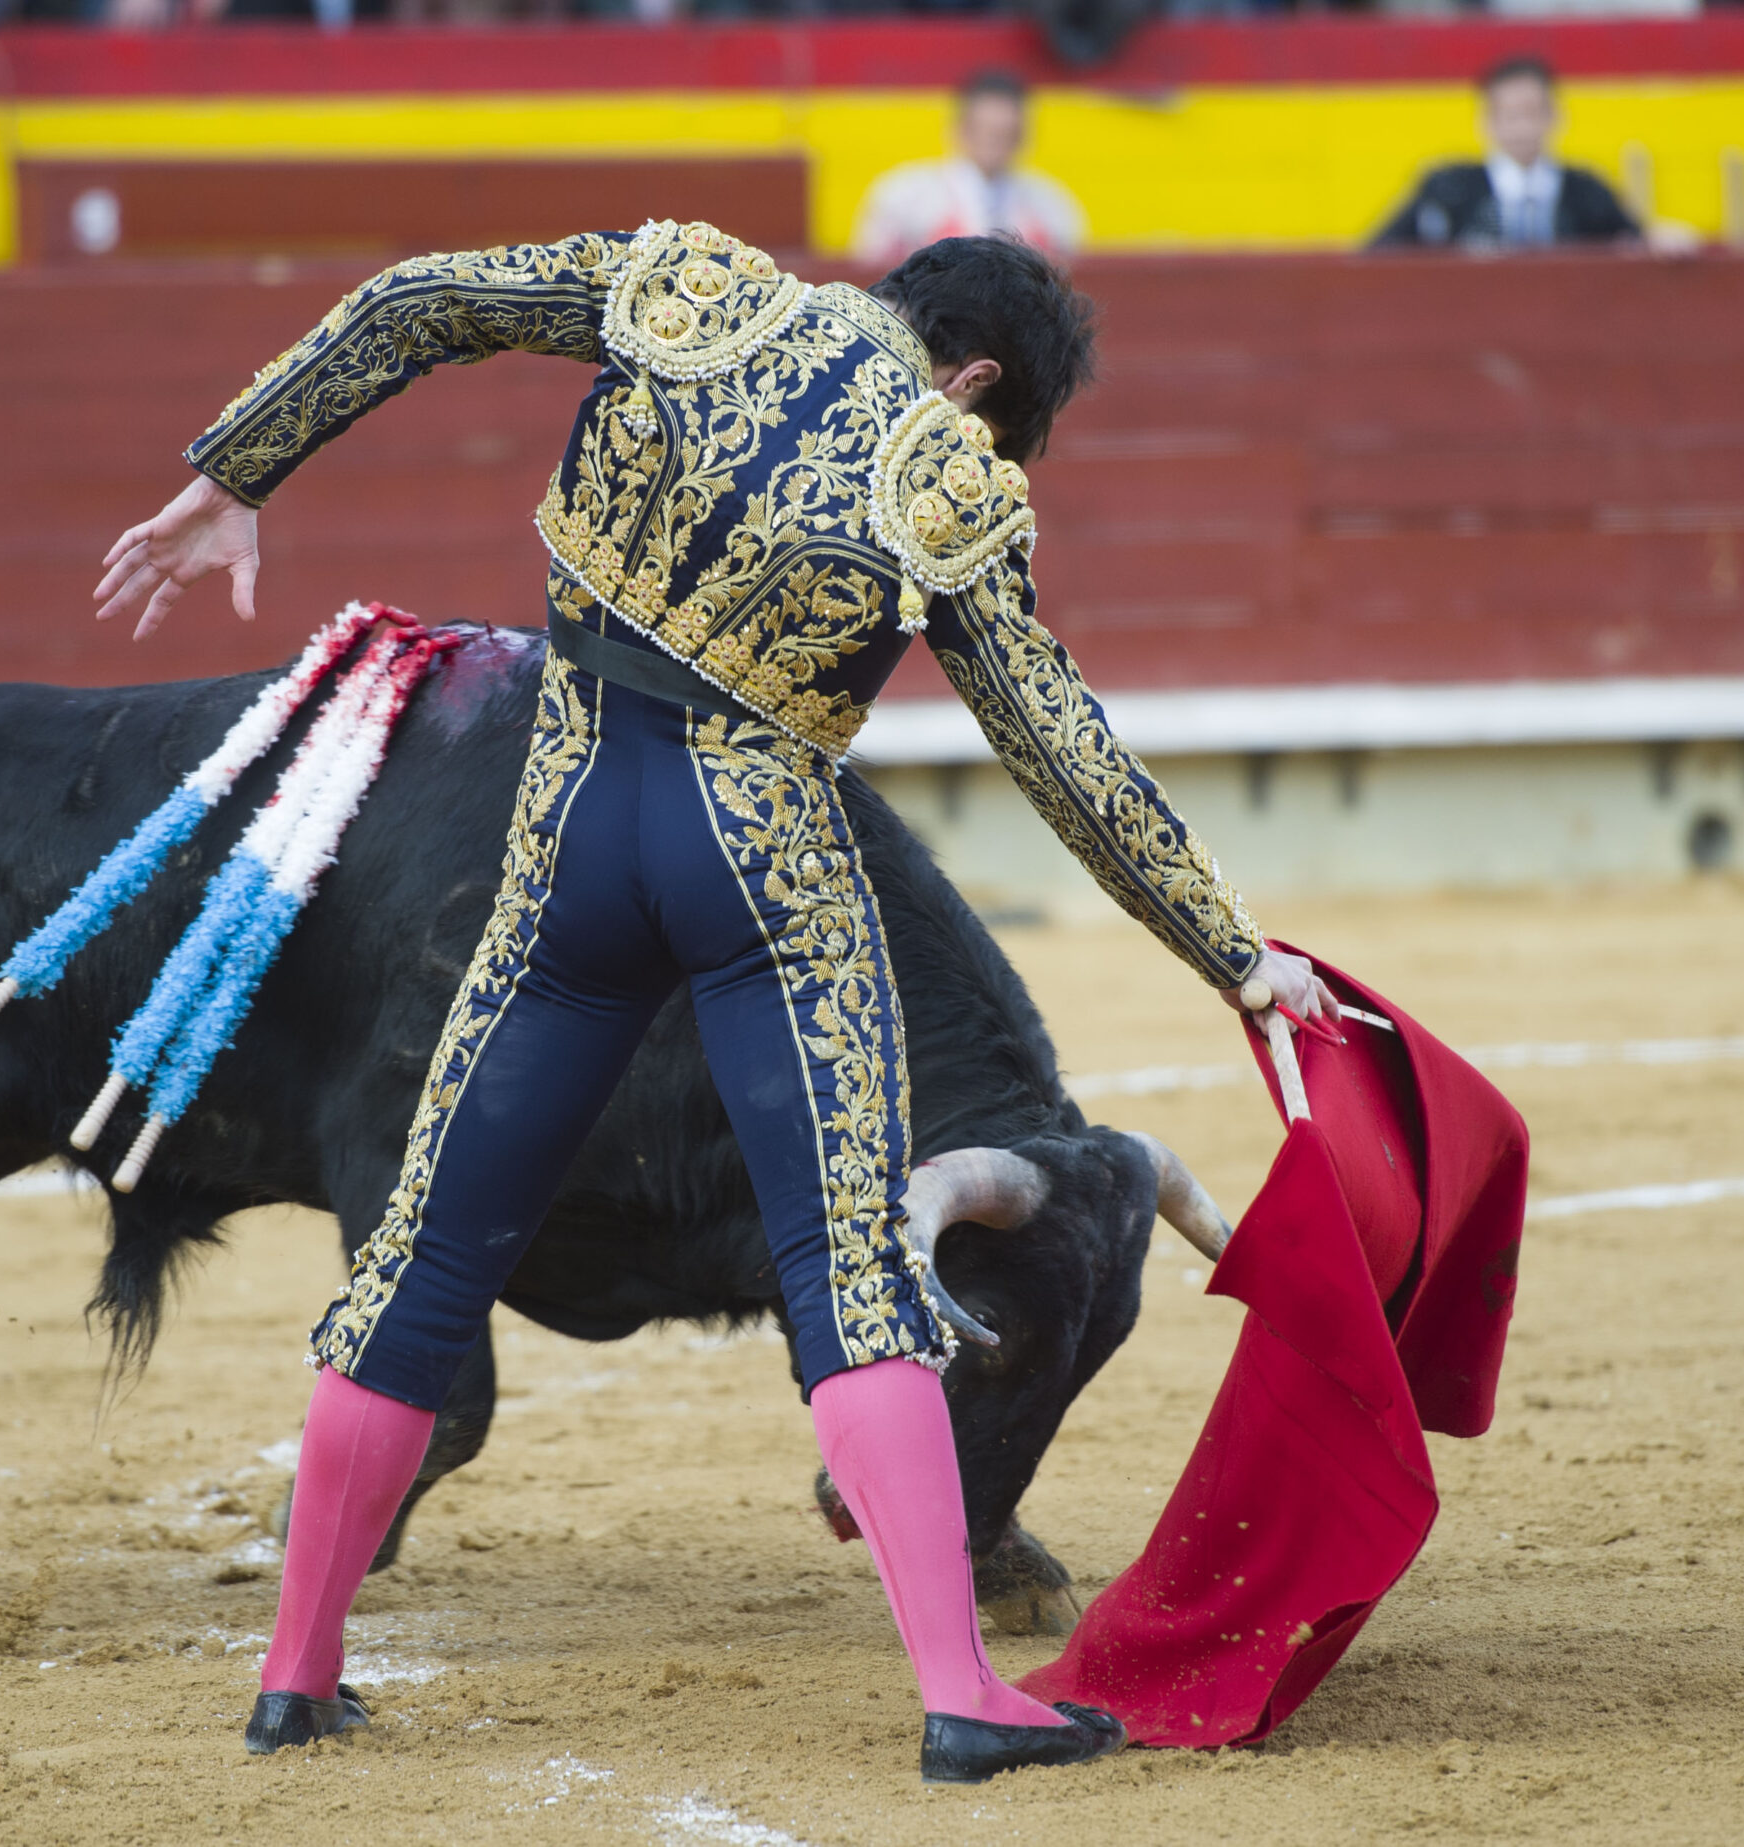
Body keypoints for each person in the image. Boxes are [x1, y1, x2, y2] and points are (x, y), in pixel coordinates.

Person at [95, 222, 1334, 1781]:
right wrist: (1232, 945)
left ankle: (296, 1670)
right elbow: (1063, 751)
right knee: (851, 1266)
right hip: (756, 862)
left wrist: (237, 470)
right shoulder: (948, 475)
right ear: (972, 381)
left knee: (427, 1244)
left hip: (567, 824)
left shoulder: (685, 285)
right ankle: (961, 1691)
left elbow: (417, 303)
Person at [1371, 55, 1651, 251]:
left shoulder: (1588, 191)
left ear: (1555, 116)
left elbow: (1635, 245)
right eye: (1510, 115)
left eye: (1531, 112)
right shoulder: (1447, 189)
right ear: (1487, 122)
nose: (1522, 127)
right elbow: (1382, 253)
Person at [852, 72, 1086, 266]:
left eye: (1005, 135)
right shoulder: (905, 194)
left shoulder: (1050, 203)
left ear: (1022, 136)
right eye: (985, 132)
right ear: (960, 129)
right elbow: (872, 270)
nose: (994, 145)